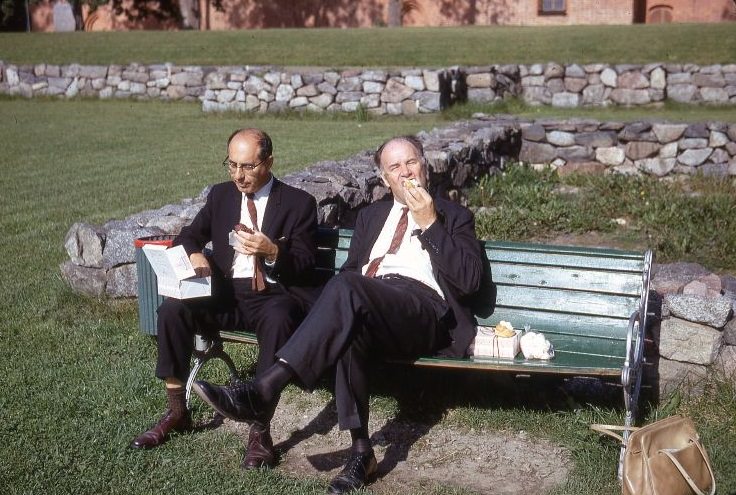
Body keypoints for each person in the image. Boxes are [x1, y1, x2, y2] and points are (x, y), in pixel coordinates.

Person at [193, 135, 484, 494]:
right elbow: (351, 273)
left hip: (423, 310)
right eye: (395, 167)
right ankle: (362, 451)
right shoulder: (371, 217)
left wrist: (429, 223)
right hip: (372, 305)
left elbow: (469, 283)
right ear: (384, 178)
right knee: (350, 318)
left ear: (425, 166)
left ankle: (264, 388)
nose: (405, 172)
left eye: (411, 162)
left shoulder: (454, 216)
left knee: (348, 290)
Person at [130, 128, 319, 472]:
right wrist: (196, 255)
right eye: (231, 165)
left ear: (269, 162)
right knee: (173, 307)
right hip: (227, 294)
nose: (238, 175)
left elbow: (306, 265)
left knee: (279, 317)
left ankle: (260, 431)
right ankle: (177, 411)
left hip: (271, 294)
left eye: (247, 166)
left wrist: (274, 251)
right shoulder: (221, 196)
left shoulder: (298, 203)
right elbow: (188, 236)